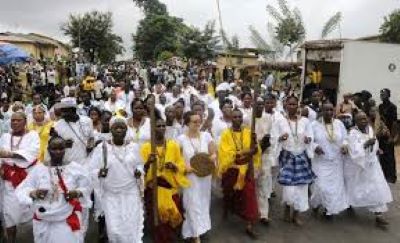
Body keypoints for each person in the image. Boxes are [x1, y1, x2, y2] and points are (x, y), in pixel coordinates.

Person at [15, 136, 91, 243]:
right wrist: (34, 193)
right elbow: (22, 189)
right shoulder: (39, 169)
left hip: (66, 218)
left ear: (65, 149)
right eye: (54, 149)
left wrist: (77, 192)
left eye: (61, 148)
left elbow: (87, 187)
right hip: (43, 219)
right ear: (48, 149)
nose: (58, 152)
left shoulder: (75, 168)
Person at [89, 117, 144, 243]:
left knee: (131, 226)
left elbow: (140, 164)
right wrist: (99, 172)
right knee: (114, 230)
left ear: (126, 130)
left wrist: (139, 172)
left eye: (122, 127)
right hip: (110, 194)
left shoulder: (134, 147)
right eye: (116, 127)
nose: (119, 130)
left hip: (130, 192)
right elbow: (92, 169)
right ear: (111, 129)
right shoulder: (101, 148)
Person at [141, 116, 190, 243]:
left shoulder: (173, 145)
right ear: (152, 128)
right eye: (158, 126)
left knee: (171, 221)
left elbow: (181, 164)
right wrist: (148, 162)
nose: (161, 128)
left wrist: (174, 166)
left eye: (163, 126)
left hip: (170, 190)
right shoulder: (146, 147)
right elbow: (140, 170)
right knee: (158, 223)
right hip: (154, 191)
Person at [218, 108, 261, 238]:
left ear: (242, 118)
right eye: (235, 117)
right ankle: (227, 208)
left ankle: (249, 224)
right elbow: (224, 153)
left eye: (239, 117)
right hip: (232, 169)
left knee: (249, 195)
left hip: (246, 170)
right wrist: (243, 152)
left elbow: (256, 151)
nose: (237, 119)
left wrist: (254, 146)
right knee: (229, 193)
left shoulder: (249, 132)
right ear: (231, 119)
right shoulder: (225, 134)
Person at [345, 112, 393, 228]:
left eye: (365, 119)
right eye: (360, 119)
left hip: (373, 165)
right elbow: (354, 151)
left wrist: (376, 149)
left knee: (377, 188)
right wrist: (365, 144)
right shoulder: (352, 133)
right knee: (355, 189)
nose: (363, 121)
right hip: (359, 166)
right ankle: (349, 203)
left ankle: (379, 215)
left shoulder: (370, 129)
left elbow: (374, 143)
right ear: (355, 122)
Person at [272, 95, 314, 226]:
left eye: (294, 104)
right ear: (285, 106)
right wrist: (280, 138)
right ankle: (287, 208)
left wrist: (308, 140)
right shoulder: (280, 122)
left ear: (298, 106)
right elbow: (273, 138)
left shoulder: (305, 121)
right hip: (288, 156)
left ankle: (296, 214)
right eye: (289, 104)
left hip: (301, 156)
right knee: (289, 188)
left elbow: (310, 136)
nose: (292, 107)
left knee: (301, 187)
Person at [0, 112, 40, 242]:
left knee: (33, 212)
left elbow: (32, 153)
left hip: (28, 178)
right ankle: (11, 239)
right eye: (13, 120)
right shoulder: (5, 136)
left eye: (18, 120)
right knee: (9, 213)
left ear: (25, 121)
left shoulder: (32, 135)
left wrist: (9, 154)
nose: (15, 123)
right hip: (9, 180)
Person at [177, 111, 217, 242]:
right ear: (187, 123)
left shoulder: (206, 136)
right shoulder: (181, 139)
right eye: (194, 121)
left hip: (205, 177)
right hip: (190, 177)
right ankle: (195, 235)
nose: (198, 124)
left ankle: (200, 228)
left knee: (203, 203)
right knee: (191, 203)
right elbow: (177, 158)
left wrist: (212, 158)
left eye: (199, 121)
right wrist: (185, 167)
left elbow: (213, 152)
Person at [310, 103, 349, 218]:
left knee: (333, 187)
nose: (328, 112)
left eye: (331, 110)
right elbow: (308, 140)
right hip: (320, 161)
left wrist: (345, 145)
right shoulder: (314, 125)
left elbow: (345, 138)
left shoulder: (339, 124)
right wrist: (315, 146)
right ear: (321, 111)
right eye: (326, 110)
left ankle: (329, 209)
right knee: (320, 186)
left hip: (336, 161)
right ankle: (316, 204)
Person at [54, 98, 95, 164]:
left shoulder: (87, 121)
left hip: (85, 161)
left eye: (64, 110)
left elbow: (91, 138)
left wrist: (90, 146)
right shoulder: (57, 125)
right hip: (67, 162)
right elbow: (55, 145)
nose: (61, 113)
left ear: (72, 110)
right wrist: (63, 143)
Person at [378, 88, 398, 183]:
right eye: (381, 94)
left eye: (384, 94)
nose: (382, 95)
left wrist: (392, 136)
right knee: (382, 155)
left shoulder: (392, 107)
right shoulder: (380, 106)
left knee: (389, 155)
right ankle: (384, 175)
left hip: (389, 133)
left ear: (388, 95)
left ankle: (391, 176)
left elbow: (394, 123)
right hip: (381, 133)